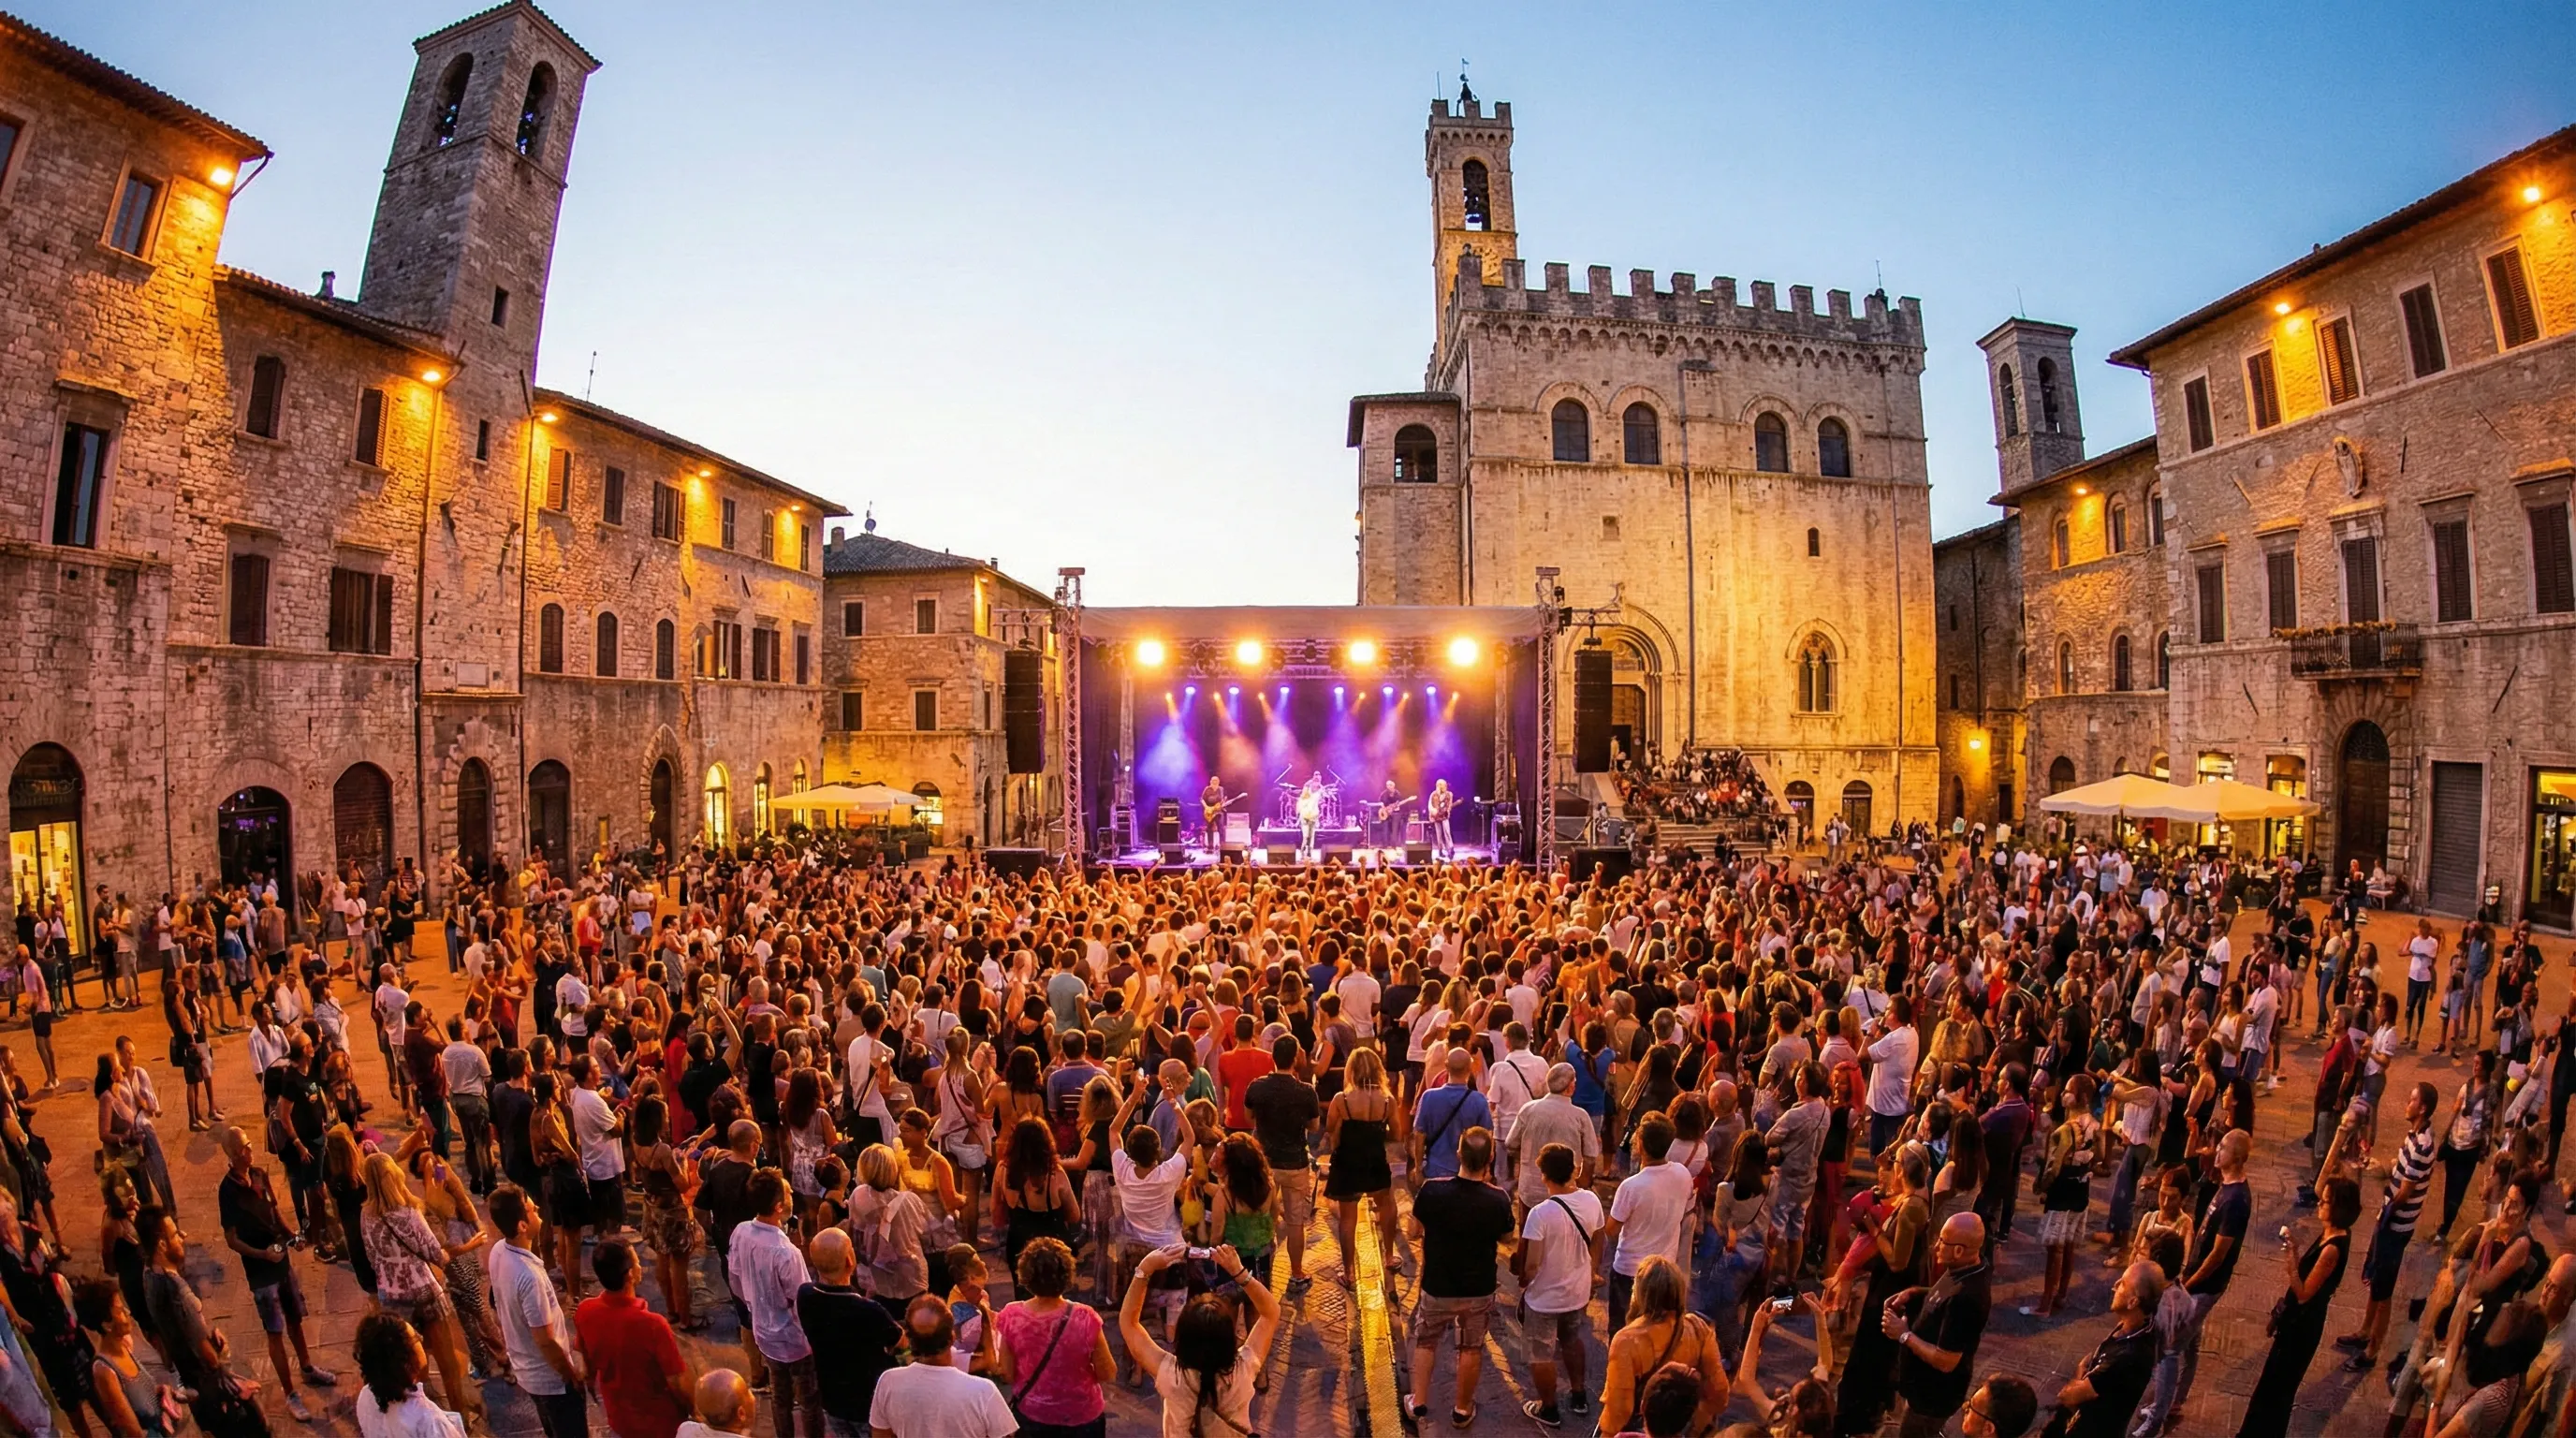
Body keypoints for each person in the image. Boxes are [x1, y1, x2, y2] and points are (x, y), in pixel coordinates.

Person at [212, 1126, 337, 1423]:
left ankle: (307, 1368)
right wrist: (262, 1255)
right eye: (244, 1146)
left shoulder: (258, 1174)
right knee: (275, 1330)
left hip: (281, 1261)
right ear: (232, 1154)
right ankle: (290, 1393)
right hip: (261, 1271)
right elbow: (231, 1239)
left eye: (249, 1144)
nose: (249, 1149)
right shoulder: (227, 1191)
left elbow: (274, 1211)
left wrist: (293, 1236)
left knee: (295, 1318)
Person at [2133, 1128, 2248, 1434]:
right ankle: (2174, 1401)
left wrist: (2188, 1283)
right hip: (2200, 1284)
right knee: (2190, 1343)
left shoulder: (2236, 1199)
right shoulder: (2225, 1186)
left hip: (2204, 1286)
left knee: (2170, 1348)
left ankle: (2156, 1418)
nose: (2217, 1149)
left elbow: (2218, 1254)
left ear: (2235, 1156)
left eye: (2222, 1147)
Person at [359, 1152, 482, 1429]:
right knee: (448, 1364)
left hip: (392, 1298)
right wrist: (462, 1248)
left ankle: (426, 1416)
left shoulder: (366, 1216)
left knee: (413, 1367)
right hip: (423, 1292)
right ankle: (460, 1421)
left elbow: (371, 1257)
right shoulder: (408, 1214)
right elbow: (437, 1255)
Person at [1404, 1126, 1514, 1429]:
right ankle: (1462, 1409)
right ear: (1490, 1157)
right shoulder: (1498, 1199)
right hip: (1478, 1288)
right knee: (1470, 1347)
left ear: (1458, 1154)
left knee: (1426, 1341)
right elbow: (1506, 1237)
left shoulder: (1432, 1190)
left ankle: (1419, 1402)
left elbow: (1413, 1230)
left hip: (1437, 1285)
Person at [2234, 1177, 2354, 1438]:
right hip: (2297, 1321)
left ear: (2339, 1207)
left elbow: (2303, 1294)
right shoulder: (2330, 1232)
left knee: (2277, 1390)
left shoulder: (2333, 1248)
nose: (2320, 1203)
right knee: (2269, 1386)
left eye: (2326, 1201)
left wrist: (2290, 1261)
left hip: (2302, 1327)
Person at [1120, 1244, 1281, 1438]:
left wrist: (1144, 1269)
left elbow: (1129, 1324)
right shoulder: (1243, 1370)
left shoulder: (1172, 1376)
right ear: (1230, 1338)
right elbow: (1271, 1313)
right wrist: (1239, 1274)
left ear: (1183, 1336)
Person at [2335, 1082, 2438, 1372]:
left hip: (2396, 1226)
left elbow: (2405, 1191)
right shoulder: (2414, 1136)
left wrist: (2385, 1215)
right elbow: (2400, 1173)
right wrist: (2381, 1168)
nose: (2407, 1104)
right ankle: (2365, 1331)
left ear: (2423, 1108)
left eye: (2411, 1100)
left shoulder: (2423, 1144)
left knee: (2384, 1290)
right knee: (2377, 1280)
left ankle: (2372, 1350)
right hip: (2390, 1220)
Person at [486, 1184, 589, 1438]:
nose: (539, 1210)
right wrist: (570, 1375)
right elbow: (545, 1340)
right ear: (522, 1225)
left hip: (527, 1371)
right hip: (550, 1380)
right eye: (532, 1209)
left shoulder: (499, 1251)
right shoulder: (529, 1277)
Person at [1516, 1141, 1604, 1429]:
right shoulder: (1592, 1201)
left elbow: (1531, 1264)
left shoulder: (1540, 1214)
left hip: (1544, 1299)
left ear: (1543, 1176)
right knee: (1571, 1340)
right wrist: (1591, 1272)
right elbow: (1599, 1239)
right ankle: (1579, 1396)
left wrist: (1524, 1283)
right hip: (1576, 1293)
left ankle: (1549, 1409)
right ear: (1574, 1170)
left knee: (1541, 1353)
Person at [1885, 1213, 1993, 1438]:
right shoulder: (1967, 1267)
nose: (1936, 1246)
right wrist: (1916, 1292)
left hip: (1932, 1398)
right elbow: (1946, 1294)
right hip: (1921, 1390)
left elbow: (1946, 1361)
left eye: (1943, 1241)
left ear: (1958, 1251)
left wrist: (1903, 1335)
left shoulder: (1967, 1298)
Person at [993, 1237, 1113, 1438]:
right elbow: (1107, 1372)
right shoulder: (1085, 1317)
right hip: (1082, 1418)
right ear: (1067, 1274)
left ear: (1025, 1275)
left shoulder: (1011, 1316)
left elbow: (1007, 1373)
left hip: (1033, 1416)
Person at [731, 1170, 820, 1438]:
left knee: (779, 1395)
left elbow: (735, 1278)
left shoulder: (741, 1232)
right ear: (779, 1207)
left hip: (763, 1331)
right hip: (794, 1339)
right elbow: (802, 1301)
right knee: (808, 1400)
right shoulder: (785, 1252)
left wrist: (753, 1307)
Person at [1598, 1255, 1727, 1438]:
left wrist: (1607, 1434)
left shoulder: (1626, 1341)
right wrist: (1696, 1426)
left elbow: (1619, 1411)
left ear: (1641, 1292)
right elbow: (1719, 1395)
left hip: (1644, 1429)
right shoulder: (1698, 1330)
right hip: (1681, 1429)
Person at [575, 1239, 693, 1438]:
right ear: (630, 1274)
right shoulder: (653, 1325)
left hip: (620, 1422)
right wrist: (694, 1411)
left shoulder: (585, 1311)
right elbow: (677, 1383)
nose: (640, 1267)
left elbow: (585, 1364)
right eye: (637, 1262)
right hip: (661, 1426)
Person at [796, 1228, 906, 1438]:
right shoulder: (869, 1310)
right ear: (849, 1260)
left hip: (832, 1401)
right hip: (868, 1407)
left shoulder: (805, 1295)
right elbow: (900, 1341)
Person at [868, 1294, 1021, 1438]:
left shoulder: (888, 1381)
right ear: (952, 1337)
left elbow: (880, 1433)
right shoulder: (983, 1391)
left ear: (909, 1339)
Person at [1604, 1110, 1693, 1333]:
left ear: (1641, 1145)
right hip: (1663, 1270)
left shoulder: (1632, 1186)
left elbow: (1611, 1229)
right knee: (1655, 1331)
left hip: (1629, 1271)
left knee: (1623, 1330)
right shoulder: (1682, 1174)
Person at [2052, 1262, 2163, 1438]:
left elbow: (2069, 1397)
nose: (2115, 1285)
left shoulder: (2127, 1356)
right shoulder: (2138, 1327)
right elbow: (2090, 1360)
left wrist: (2079, 1379)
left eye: (2123, 1284)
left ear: (2133, 1302)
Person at [1241, 1036, 1319, 1287]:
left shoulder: (1257, 1087)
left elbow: (1248, 1116)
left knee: (1262, 1216)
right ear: (1295, 1058)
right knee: (1296, 1221)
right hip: (1295, 1163)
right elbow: (1314, 1125)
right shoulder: (1306, 1091)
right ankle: (1296, 1273)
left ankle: (1262, 1271)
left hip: (1265, 1163)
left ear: (1272, 1057)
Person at [74, 1279, 173, 1438]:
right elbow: (135, 1432)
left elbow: (138, 1397)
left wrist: (160, 1392)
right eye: (120, 1310)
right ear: (107, 1324)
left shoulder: (124, 1346)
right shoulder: (104, 1371)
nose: (127, 1312)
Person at [351, 1313, 467, 1438]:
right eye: (416, 1338)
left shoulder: (365, 1397)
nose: (422, 1339)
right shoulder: (430, 1422)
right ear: (406, 1360)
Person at [1409, 1046, 1490, 1186]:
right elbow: (1487, 1137)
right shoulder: (1479, 1100)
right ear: (1469, 1068)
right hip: (1468, 1173)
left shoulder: (1429, 1097)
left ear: (1446, 1066)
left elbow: (1419, 1135)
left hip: (1435, 1171)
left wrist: (1418, 1168)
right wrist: (1486, 1169)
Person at [681, 1372, 758, 1438]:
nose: (752, 1395)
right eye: (747, 1390)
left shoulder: (686, 1430)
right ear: (741, 1413)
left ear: (699, 1414)